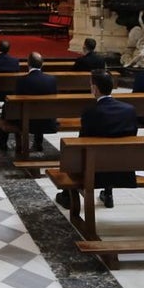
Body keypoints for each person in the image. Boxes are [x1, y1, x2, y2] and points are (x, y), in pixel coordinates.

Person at [55, 70, 138, 210]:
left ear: (95, 88)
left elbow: (83, 141)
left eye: (91, 84)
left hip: (94, 168)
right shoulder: (129, 110)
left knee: (80, 154)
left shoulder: (90, 112)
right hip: (123, 168)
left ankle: (67, 195)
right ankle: (108, 192)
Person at [0, 52, 57, 152]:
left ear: (28, 64)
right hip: (47, 120)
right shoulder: (52, 80)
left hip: (26, 121)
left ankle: (2, 141)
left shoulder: (22, 80)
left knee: (7, 106)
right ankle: (38, 143)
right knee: (40, 108)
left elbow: (16, 101)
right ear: (42, 64)